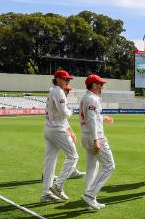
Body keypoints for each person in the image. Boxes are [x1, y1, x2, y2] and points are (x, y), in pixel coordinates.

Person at [40, 70, 79, 203]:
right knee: (73, 157)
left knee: (50, 161)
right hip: (57, 129)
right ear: (57, 79)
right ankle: (58, 185)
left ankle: (46, 194)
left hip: (49, 128)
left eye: (68, 80)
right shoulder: (58, 91)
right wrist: (71, 112)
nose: (66, 82)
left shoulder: (53, 90)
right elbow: (64, 112)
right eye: (64, 79)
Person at [79, 74, 115, 210]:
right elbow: (91, 120)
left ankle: (89, 196)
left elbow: (91, 117)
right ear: (94, 85)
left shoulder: (86, 97)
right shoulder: (92, 99)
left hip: (85, 136)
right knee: (109, 166)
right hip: (95, 137)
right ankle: (89, 195)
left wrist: (102, 118)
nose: (102, 87)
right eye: (100, 84)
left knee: (92, 167)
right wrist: (96, 141)